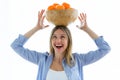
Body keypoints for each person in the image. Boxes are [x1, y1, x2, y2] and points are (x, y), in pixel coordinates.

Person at [11, 9, 111, 80]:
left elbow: (105, 49)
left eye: (62, 37)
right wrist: (36, 28)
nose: (58, 41)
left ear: (69, 41)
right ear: (51, 40)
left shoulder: (78, 60)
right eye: (54, 37)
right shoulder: (42, 59)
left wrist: (86, 29)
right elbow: (16, 45)